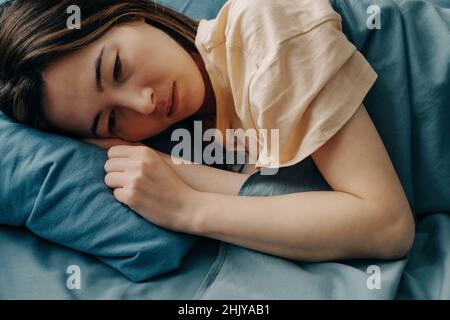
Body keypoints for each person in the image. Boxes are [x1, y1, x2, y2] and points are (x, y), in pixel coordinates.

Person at [0, 0, 415, 261]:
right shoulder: (206, 132)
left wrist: (187, 208)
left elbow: (386, 226)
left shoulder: (262, 26)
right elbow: (312, 206)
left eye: (117, 68)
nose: (143, 104)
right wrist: (174, 169)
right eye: (110, 121)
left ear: (127, 12)